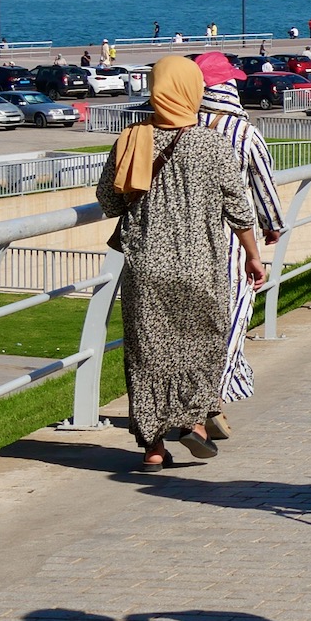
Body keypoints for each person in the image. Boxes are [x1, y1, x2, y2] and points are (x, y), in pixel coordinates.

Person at [96, 57, 266, 473]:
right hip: (201, 266)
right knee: (202, 343)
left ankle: (153, 447)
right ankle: (194, 423)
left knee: (147, 353)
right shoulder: (213, 145)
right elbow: (239, 210)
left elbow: (109, 201)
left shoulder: (132, 139)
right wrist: (252, 255)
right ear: (193, 91)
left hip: (146, 267)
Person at [194, 52, 285, 439]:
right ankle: (209, 399)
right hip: (232, 241)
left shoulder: (181, 125)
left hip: (184, 239)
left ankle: (197, 399)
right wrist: (272, 226)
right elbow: (263, 183)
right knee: (232, 315)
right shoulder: (244, 133)